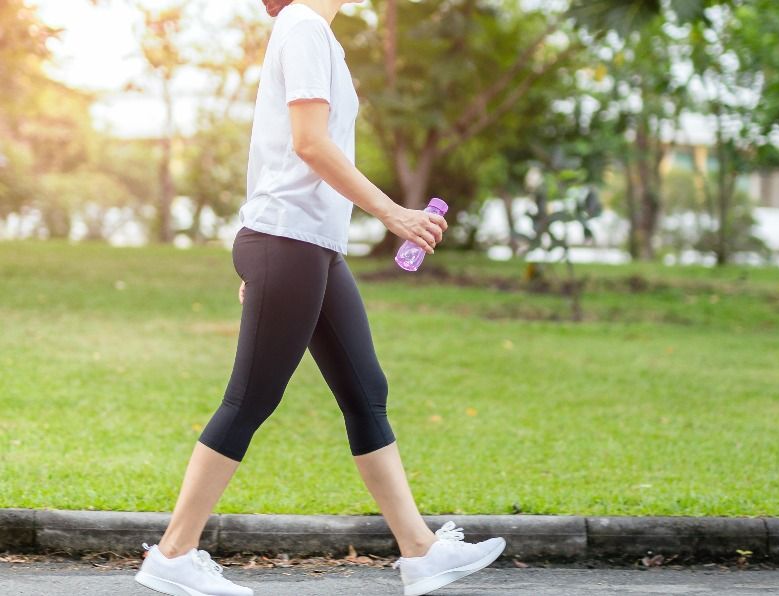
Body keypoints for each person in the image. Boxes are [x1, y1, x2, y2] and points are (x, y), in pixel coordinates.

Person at [134, 1, 506, 595]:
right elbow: (309, 143)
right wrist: (393, 214)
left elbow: (286, 149)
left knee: (366, 391)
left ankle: (420, 551)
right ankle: (173, 555)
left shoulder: (313, 34)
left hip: (308, 247)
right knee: (250, 399)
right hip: (288, 243)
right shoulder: (303, 25)